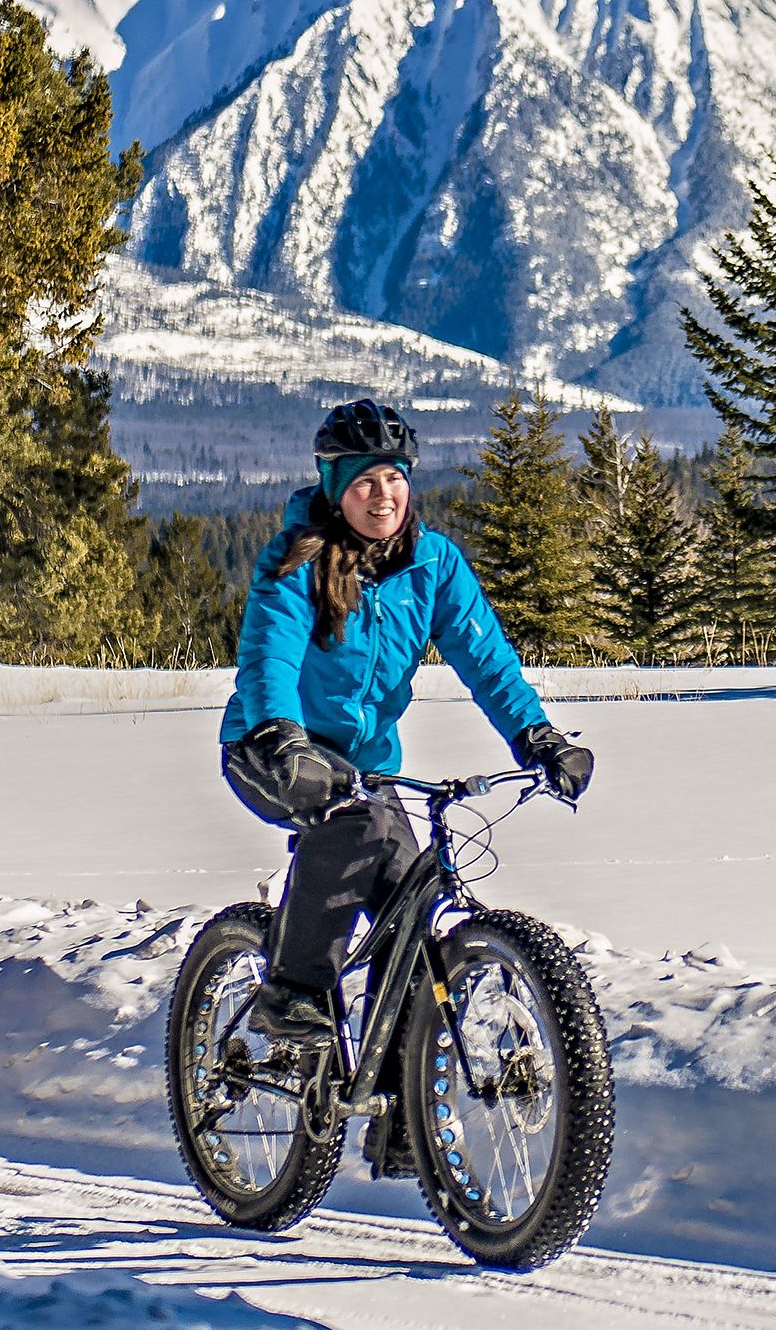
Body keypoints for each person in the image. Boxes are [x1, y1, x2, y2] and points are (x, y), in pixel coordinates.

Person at [223, 397, 591, 1053]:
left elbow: (487, 659)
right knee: (353, 822)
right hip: (270, 747)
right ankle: (293, 991)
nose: (383, 494)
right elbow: (268, 655)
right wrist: (282, 732)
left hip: (365, 765)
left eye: (395, 478)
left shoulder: (435, 563)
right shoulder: (295, 560)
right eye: (365, 481)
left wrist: (536, 735)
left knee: (411, 920)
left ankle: (400, 1115)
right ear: (336, 489)